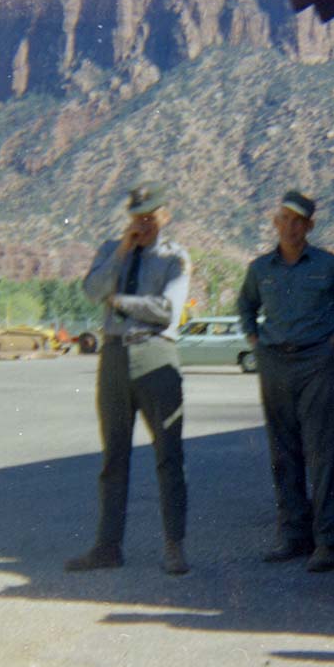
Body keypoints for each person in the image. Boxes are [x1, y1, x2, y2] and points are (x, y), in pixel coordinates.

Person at [66, 182, 191, 575]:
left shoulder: (175, 259)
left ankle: (174, 547)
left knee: (168, 455)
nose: (144, 224)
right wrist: (120, 252)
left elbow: (166, 310)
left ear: (165, 216)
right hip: (115, 355)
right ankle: (107, 546)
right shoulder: (110, 252)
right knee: (113, 457)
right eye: (138, 216)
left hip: (154, 352)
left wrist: (120, 301)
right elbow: (90, 290)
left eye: (152, 216)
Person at [238, 190, 334, 571]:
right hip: (275, 363)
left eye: (299, 221)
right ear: (275, 223)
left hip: (316, 364)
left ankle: (327, 542)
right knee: (283, 454)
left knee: (323, 454)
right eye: (285, 219)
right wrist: (253, 339)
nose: (291, 227)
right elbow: (246, 305)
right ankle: (293, 536)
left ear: (310, 226)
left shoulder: (328, 265)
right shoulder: (260, 269)